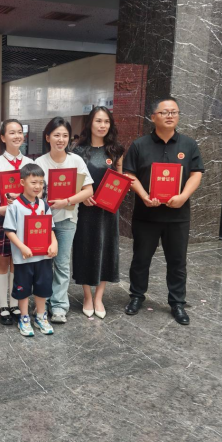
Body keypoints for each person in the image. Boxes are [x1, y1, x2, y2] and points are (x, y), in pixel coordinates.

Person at [123, 97, 204, 325]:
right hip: (146, 215)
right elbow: (129, 174)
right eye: (165, 112)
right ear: (153, 117)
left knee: (177, 262)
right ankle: (136, 296)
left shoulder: (189, 145)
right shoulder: (140, 145)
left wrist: (183, 196)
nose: (170, 116)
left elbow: (196, 173)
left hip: (178, 216)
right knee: (141, 259)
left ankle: (177, 303)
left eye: (174, 112)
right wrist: (144, 196)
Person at [35, 117, 94, 323]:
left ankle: (59, 306)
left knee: (61, 263)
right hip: (42, 222)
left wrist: (67, 201)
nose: (61, 139)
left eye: (65, 135)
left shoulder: (76, 161)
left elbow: (88, 190)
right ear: (47, 137)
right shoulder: (39, 163)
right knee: (43, 264)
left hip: (67, 220)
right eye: (56, 135)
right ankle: (43, 303)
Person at [72, 106, 126, 319]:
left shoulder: (116, 150)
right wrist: (82, 195)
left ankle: (99, 298)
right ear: (90, 123)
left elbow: (120, 180)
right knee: (84, 249)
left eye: (106, 122)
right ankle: (87, 296)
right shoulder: (77, 151)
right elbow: (73, 182)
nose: (102, 125)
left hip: (108, 211)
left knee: (106, 249)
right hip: (85, 210)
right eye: (98, 121)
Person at [0, 119, 34, 325]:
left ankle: (15, 303)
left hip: (24, 218)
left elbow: (37, 190)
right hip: (2, 217)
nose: (17, 136)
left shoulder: (30, 164)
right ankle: (3, 306)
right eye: (12, 132)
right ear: (3, 137)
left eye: (19, 132)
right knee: (3, 262)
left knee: (18, 262)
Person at [4, 164, 58, 337]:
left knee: (43, 287)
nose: (37, 186)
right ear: (22, 182)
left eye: (41, 183)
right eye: (33, 182)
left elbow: (50, 228)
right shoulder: (14, 206)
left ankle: (41, 316)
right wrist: (22, 247)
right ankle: (24, 317)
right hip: (24, 257)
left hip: (43, 257)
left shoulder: (44, 205)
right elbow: (9, 231)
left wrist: (54, 243)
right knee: (23, 288)